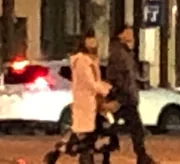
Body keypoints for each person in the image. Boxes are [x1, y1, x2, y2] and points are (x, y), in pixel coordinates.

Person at [44, 30, 112, 164]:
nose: (93, 42)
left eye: (94, 39)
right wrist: (106, 89)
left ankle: (60, 154)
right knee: (84, 133)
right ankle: (64, 155)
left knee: (90, 133)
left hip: (94, 101)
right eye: (89, 39)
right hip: (85, 101)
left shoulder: (91, 59)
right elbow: (89, 82)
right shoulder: (81, 60)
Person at [108, 24, 155, 164]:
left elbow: (130, 75)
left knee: (132, 127)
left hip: (127, 96)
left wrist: (139, 83)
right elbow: (118, 75)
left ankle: (141, 155)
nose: (131, 35)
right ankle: (140, 156)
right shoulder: (119, 53)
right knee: (131, 128)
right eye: (128, 32)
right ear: (121, 35)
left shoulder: (125, 52)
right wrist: (122, 91)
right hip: (123, 97)